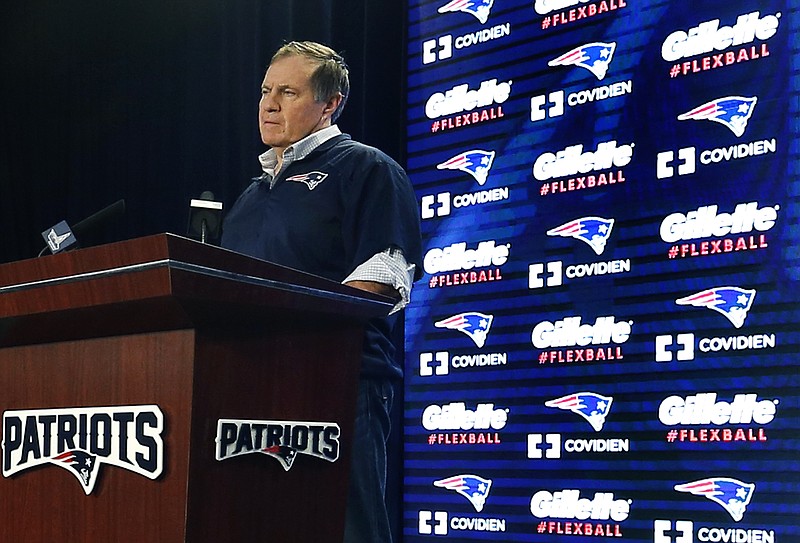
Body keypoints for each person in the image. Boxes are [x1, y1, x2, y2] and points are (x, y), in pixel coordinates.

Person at [220, 41, 422, 542]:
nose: (269, 104)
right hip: (248, 385)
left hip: (340, 382)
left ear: (329, 104)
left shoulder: (368, 168)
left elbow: (383, 278)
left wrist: (288, 324)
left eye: (288, 92)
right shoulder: (249, 195)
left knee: (345, 528)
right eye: (266, 90)